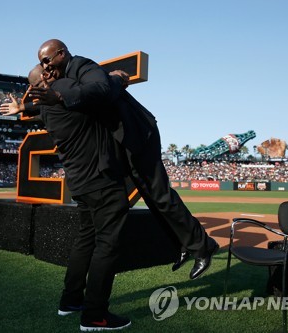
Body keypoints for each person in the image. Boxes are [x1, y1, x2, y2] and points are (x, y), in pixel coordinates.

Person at [29, 39, 218, 280]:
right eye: (40, 63)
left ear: (62, 54)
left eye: (46, 60)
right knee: (151, 197)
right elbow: (77, 96)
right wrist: (26, 107)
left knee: (160, 195)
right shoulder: (67, 77)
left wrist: (112, 80)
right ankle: (183, 243)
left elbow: (101, 89)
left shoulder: (83, 66)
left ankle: (204, 246)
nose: (44, 67)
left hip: (138, 134)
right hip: (124, 141)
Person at [0, 65, 131, 331]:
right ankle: (95, 315)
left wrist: (22, 109)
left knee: (85, 240)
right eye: (50, 70)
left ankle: (70, 301)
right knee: (107, 244)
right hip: (101, 179)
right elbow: (100, 91)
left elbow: (45, 105)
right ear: (47, 79)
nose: (57, 72)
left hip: (79, 183)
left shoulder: (48, 107)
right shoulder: (65, 93)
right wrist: (117, 78)